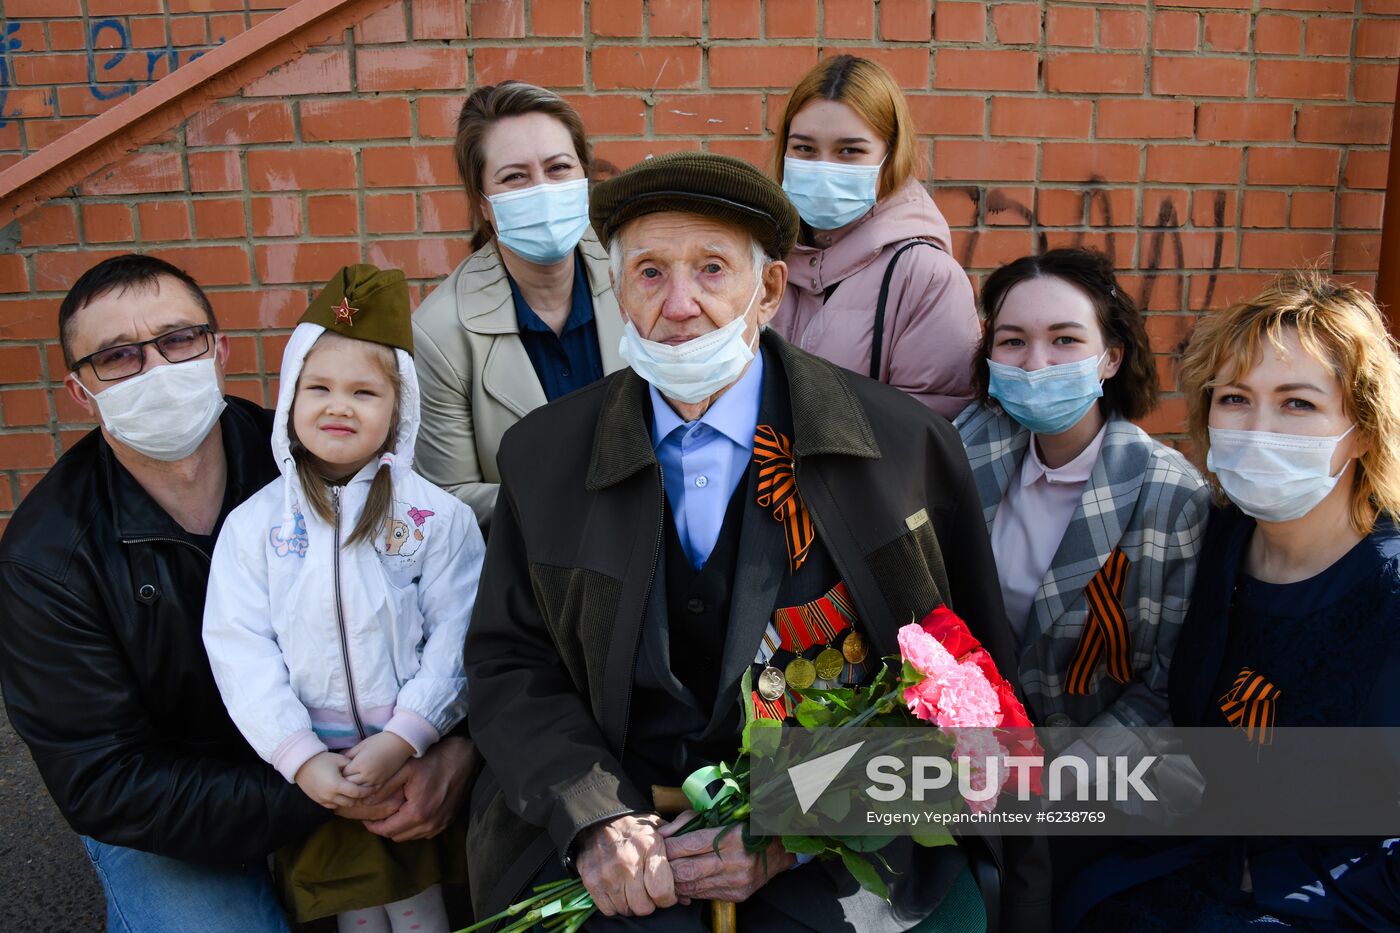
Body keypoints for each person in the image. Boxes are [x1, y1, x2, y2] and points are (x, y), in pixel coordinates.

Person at [463, 151, 1049, 931]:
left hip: (836, 850)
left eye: (711, 270)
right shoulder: (543, 458)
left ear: (768, 289)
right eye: (648, 273)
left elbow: (964, 692)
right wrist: (594, 815)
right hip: (626, 843)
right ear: (617, 291)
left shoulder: (900, 449)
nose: (679, 304)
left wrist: (791, 828)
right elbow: (512, 662)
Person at [0, 255, 475, 933]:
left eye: (177, 340)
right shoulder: (47, 557)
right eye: (117, 356)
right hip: (182, 806)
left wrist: (454, 750)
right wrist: (319, 788)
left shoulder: (323, 455)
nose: (157, 369)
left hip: (367, 755)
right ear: (81, 391)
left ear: (217, 350)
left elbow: (458, 622)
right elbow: (105, 780)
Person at [1061, 273, 1400, 931]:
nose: (1259, 427)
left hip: (1329, 893)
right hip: (1184, 849)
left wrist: (1265, 877)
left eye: (1297, 403)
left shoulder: (1388, 596)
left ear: (1362, 427)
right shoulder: (1214, 540)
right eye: (1236, 398)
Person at [202, 266, 485, 932]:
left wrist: (407, 735)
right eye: (318, 386)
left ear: (399, 410)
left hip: (407, 760)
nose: (339, 405)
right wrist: (298, 755)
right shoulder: (255, 527)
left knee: (422, 912)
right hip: (319, 772)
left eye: (364, 391)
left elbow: (459, 633)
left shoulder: (436, 520)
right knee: (356, 912)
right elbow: (240, 648)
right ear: (290, 396)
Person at [955, 249, 1209, 734]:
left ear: (1111, 358)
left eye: (1065, 339)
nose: (1035, 363)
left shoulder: (1171, 498)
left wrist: (1076, 770)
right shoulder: (964, 449)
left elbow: (1166, 680)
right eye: (1012, 341)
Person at [413, 81, 626, 530]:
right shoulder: (440, 333)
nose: (543, 189)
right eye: (515, 177)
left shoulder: (637, 275)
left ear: (583, 179)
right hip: (529, 574)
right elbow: (446, 497)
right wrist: (579, 500)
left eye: (558, 168)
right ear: (483, 204)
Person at [769, 54, 979, 418]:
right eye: (804, 148)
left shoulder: (926, 276)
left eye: (849, 151)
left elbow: (928, 422)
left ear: (891, 155)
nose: (824, 168)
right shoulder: (757, 256)